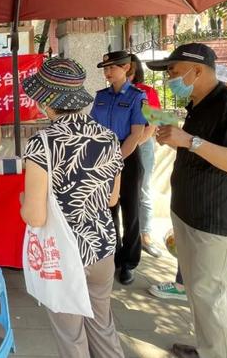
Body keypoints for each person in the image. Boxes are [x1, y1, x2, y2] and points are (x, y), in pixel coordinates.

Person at [146, 43, 227, 358]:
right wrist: (180, 142)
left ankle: (219, 353)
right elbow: (207, 152)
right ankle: (208, 348)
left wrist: (190, 140)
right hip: (191, 214)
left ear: (197, 70)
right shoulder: (199, 104)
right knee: (200, 294)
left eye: (172, 71)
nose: (169, 77)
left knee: (212, 297)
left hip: (217, 220)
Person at [20, 57, 125, 357]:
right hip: (103, 247)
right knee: (103, 326)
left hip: (65, 255)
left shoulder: (43, 143)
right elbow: (112, 199)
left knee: (71, 336)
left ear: (46, 102)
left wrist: (23, 203)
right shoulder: (108, 137)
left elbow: (36, 216)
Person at [90, 51, 147, 285]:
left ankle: (129, 262)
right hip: (103, 156)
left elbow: (136, 134)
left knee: (130, 211)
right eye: (105, 68)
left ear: (126, 67)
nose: (107, 72)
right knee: (108, 210)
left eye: (112, 67)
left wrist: (117, 160)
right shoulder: (101, 96)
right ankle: (113, 256)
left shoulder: (137, 96)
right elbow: (93, 127)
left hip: (128, 157)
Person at [128, 54, 162, 258]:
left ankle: (146, 235)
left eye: (127, 67)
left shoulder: (147, 92)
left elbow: (155, 122)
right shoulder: (113, 92)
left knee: (144, 189)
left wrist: (136, 143)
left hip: (142, 145)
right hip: (120, 146)